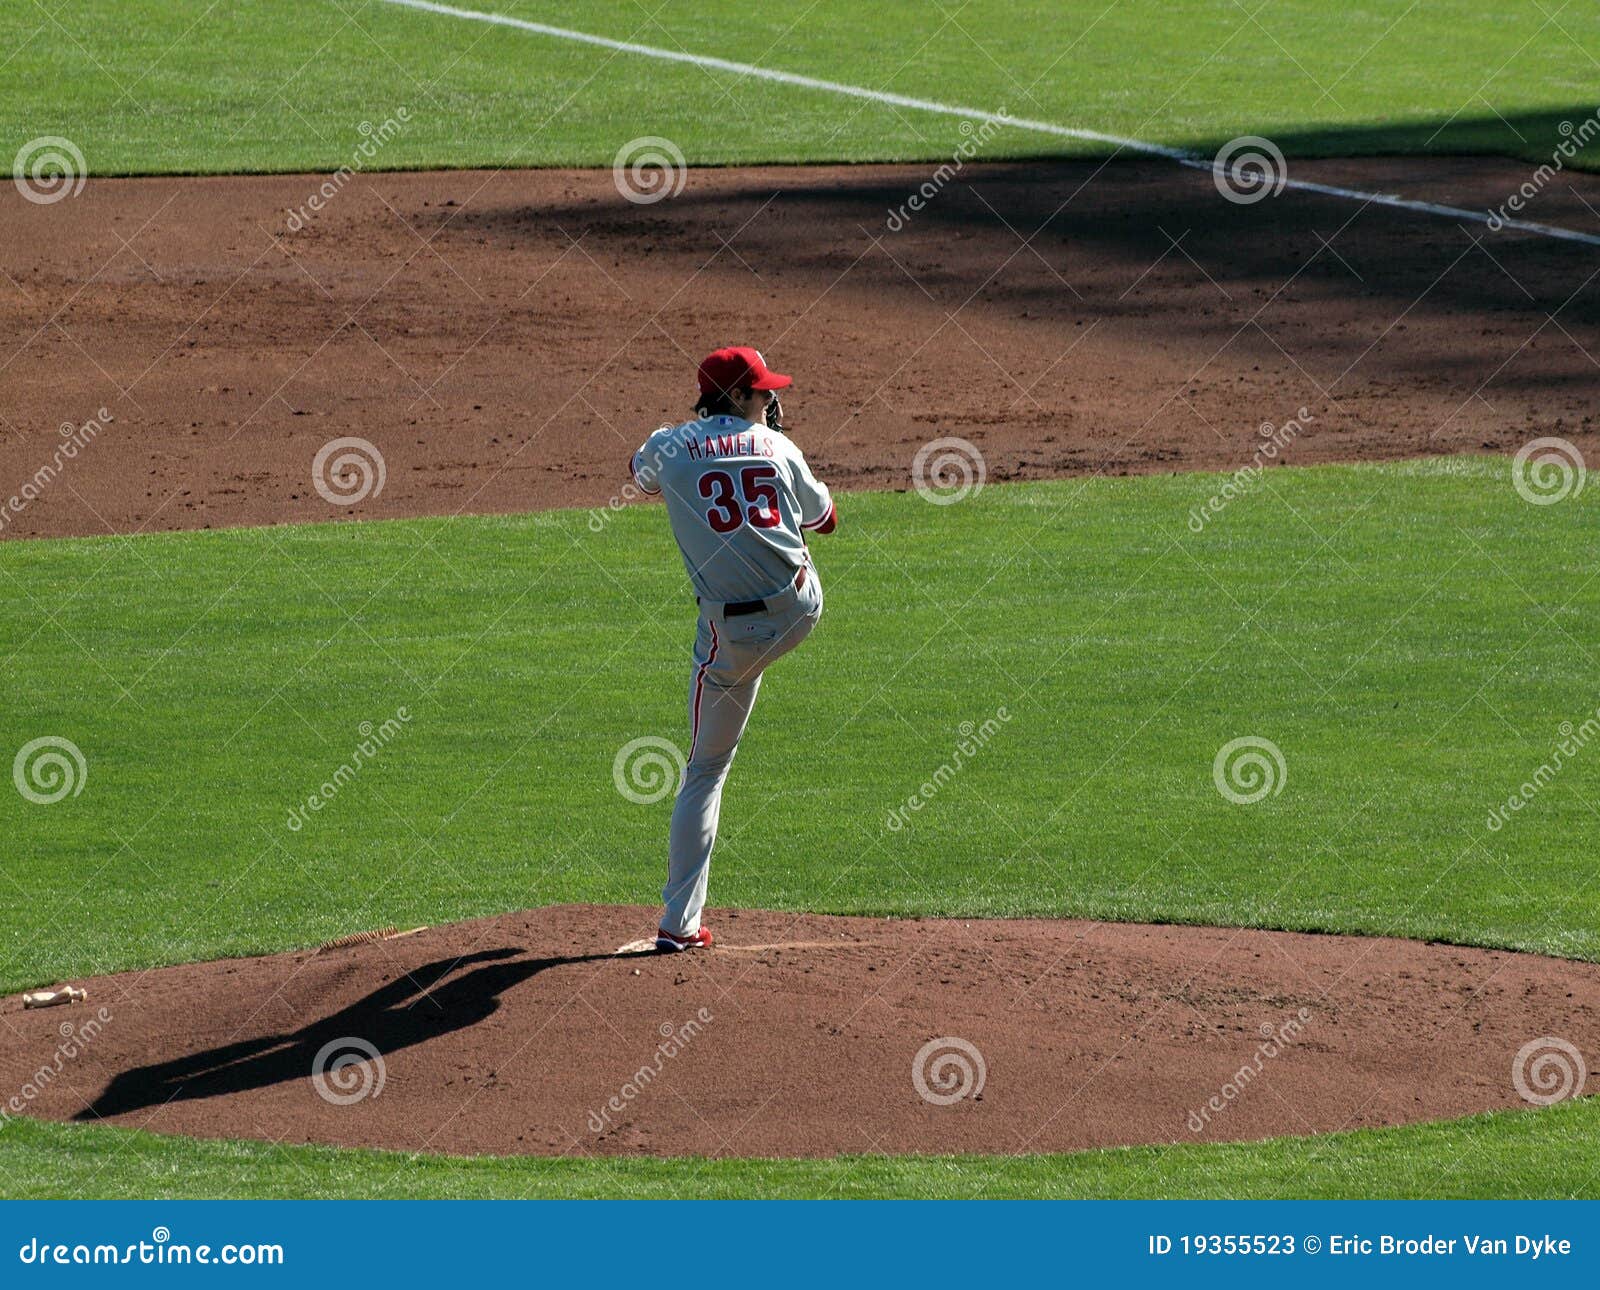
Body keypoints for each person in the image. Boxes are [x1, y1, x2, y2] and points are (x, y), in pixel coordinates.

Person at [629, 347, 838, 951]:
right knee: (783, 581)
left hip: (728, 640)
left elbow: (639, 475)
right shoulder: (781, 446)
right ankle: (681, 924)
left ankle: (678, 926)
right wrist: (767, 449)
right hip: (800, 611)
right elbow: (825, 520)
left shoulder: (669, 445)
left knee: (704, 771)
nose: (773, 399)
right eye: (763, 391)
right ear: (738, 398)